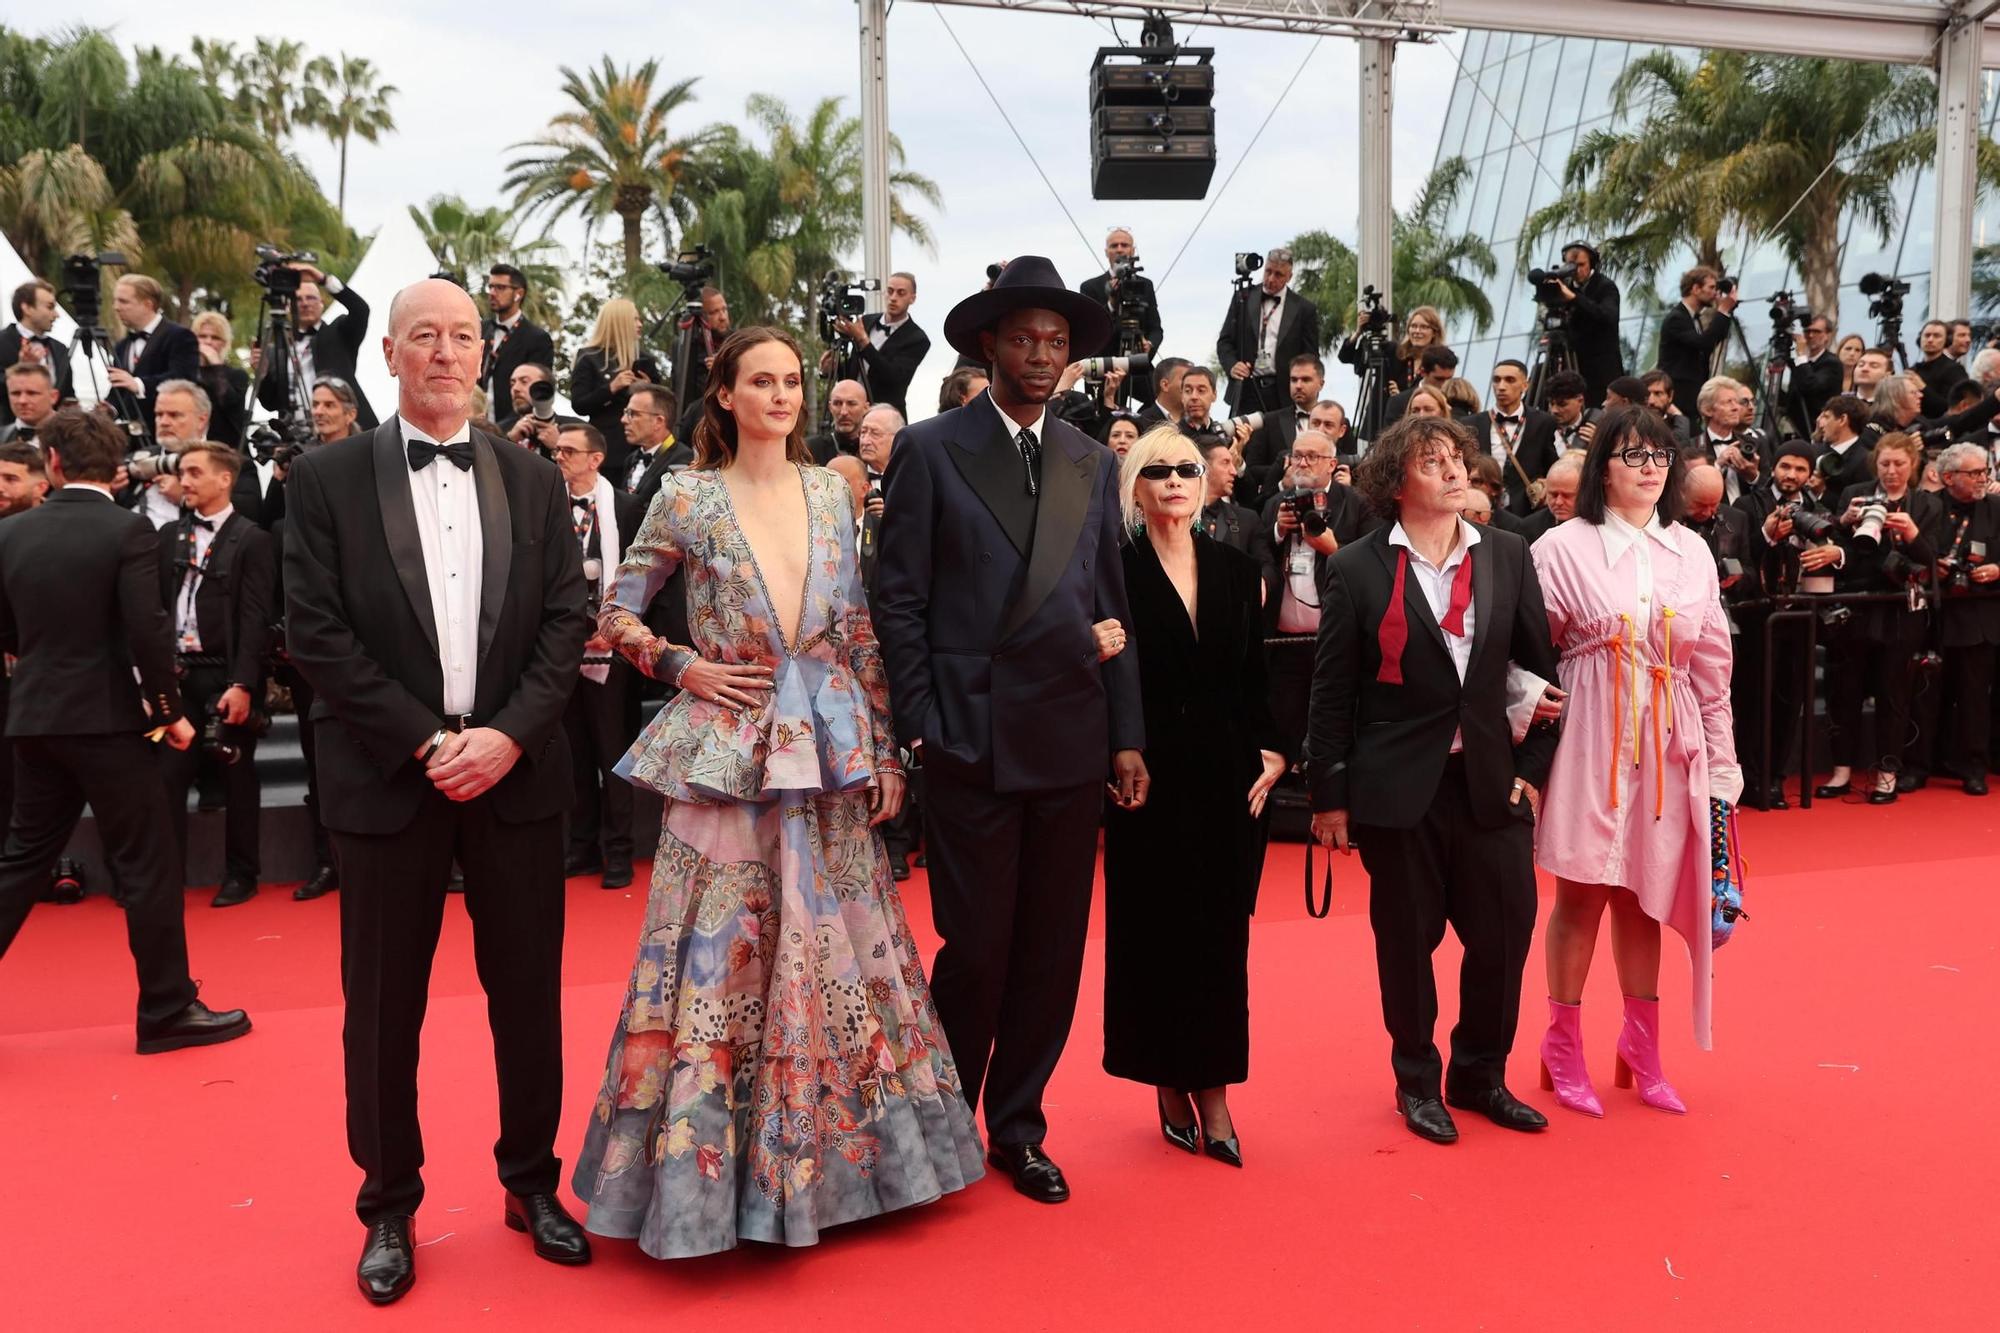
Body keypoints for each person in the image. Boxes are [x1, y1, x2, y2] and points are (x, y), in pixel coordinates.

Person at [572, 325, 982, 1258]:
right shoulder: (685, 494)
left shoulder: (832, 494)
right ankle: (714, 1188)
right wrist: (682, 665)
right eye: (762, 380)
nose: (782, 395)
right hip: (729, 750)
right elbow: (615, 610)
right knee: (723, 956)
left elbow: (861, 629)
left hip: (831, 749)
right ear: (724, 395)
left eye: (793, 380)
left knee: (844, 951)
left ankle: (852, 1174)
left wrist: (885, 750)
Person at [281, 279, 593, 1305]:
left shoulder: (531, 477)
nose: (447, 353)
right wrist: (426, 740)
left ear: (484, 353)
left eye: (463, 335)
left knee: (528, 999)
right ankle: (387, 1202)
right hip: (386, 778)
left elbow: (564, 621)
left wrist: (504, 736)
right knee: (381, 1007)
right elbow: (316, 636)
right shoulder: (324, 478)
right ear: (389, 353)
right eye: (426, 336)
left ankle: (530, 1183)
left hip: (515, 776)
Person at [874, 256, 1146, 1204]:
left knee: (1050, 948)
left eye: (1058, 342)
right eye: (1026, 338)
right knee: (978, 944)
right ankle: (946, 1115)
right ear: (988, 345)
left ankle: (1019, 1125)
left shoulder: (1092, 459)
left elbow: (1110, 607)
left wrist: (1127, 736)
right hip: (970, 736)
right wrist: (920, 725)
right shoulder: (931, 447)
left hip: (1071, 737)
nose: (1042, 355)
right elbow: (897, 599)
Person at [1306, 413, 1561, 1144]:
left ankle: (1480, 1074)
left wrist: (1533, 772)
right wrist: (1329, 794)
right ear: (1395, 482)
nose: (1454, 472)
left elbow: (1542, 672)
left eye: (1458, 459)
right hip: (1397, 786)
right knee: (1406, 941)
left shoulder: (1508, 553)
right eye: (1432, 462)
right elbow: (1332, 694)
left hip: (1490, 780)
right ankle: (1416, 1080)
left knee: (1506, 936)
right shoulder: (1355, 566)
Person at [0, 409, 252, 1051]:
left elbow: (6, 631)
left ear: (52, 464)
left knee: (20, 863)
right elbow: (148, 631)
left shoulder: (12, 534)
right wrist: (170, 714)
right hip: (108, 722)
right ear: (114, 468)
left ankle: (170, 1007)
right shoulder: (128, 530)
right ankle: (167, 1010)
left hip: (32, 718)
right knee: (146, 864)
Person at [1529, 406, 1740, 1116]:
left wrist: (1722, 767)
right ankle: (1562, 1042)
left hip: (1669, 741)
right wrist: (1530, 710)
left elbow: (1713, 670)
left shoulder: (1693, 551)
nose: (1651, 467)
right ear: (1603, 467)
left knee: (1643, 894)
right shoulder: (1561, 546)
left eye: (1660, 456)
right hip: (1591, 733)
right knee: (1582, 890)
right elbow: (1526, 649)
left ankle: (1642, 1045)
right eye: (1633, 455)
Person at [1100, 426, 1284, 1166]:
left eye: (1187, 468)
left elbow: (1254, 677)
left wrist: (1274, 750)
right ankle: (1168, 1080)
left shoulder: (1239, 570)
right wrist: (1119, 749)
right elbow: (1110, 679)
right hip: (1148, 775)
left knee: (1218, 937)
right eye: (1158, 470)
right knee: (1153, 933)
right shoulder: (1114, 571)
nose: (1176, 480)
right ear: (1136, 489)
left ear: (1204, 483)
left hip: (1229, 775)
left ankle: (1213, 1090)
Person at [155, 441, 274, 908]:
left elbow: (256, 618)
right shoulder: (167, 535)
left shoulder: (254, 539)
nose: (184, 480)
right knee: (166, 776)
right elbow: (155, 609)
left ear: (225, 479)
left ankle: (242, 874)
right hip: (177, 674)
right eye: (182, 472)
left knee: (237, 774)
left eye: (194, 472)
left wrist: (243, 684)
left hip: (228, 674)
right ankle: (164, 878)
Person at [1820, 432, 1938, 804]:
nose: (1891, 471)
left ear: (1912, 465)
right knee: (1845, 691)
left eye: (1899, 464)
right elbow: (1838, 547)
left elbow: (1932, 561)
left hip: (1902, 610)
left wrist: (1911, 532)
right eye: (1885, 463)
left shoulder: (1925, 505)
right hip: (1855, 606)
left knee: (1894, 694)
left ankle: (1887, 774)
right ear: (1876, 464)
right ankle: (1841, 772)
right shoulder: (1854, 494)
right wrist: (1844, 520)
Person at [551, 423, 644, 890]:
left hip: (615, 651)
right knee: (575, 753)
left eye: (568, 450)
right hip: (562, 650)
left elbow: (648, 574)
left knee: (614, 754)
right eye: (557, 450)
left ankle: (619, 852)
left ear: (595, 458)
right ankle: (582, 847)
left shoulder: (625, 509)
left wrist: (619, 629)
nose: (559, 457)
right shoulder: (546, 506)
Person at [1921, 443, 2000, 795]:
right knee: (1925, 695)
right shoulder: (1927, 506)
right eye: (1975, 473)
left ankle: (1974, 767)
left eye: (1985, 471)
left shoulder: (1997, 508)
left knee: (1973, 698)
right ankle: (1918, 764)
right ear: (1948, 477)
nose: (1983, 479)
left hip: (1978, 616)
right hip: (1933, 616)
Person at [257, 261, 377, 429]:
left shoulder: (339, 333)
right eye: (298, 299)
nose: (305, 303)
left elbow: (360, 310)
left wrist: (322, 279)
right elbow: (270, 404)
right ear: (288, 306)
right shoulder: (277, 347)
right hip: (297, 435)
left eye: (311, 298)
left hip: (341, 431)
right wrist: (261, 374)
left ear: (322, 304)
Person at [1217, 247, 1321, 416]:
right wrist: (1232, 365)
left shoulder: (1304, 308)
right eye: (1268, 271)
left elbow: (1311, 356)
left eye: (1279, 274)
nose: (1271, 279)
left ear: (1289, 277)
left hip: (1283, 393)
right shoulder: (1243, 297)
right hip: (1247, 390)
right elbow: (1225, 342)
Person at [822, 272, 931, 417]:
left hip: (886, 416)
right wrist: (833, 368)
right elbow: (855, 372)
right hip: (851, 415)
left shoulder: (917, 338)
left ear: (912, 298)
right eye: (890, 291)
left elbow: (894, 377)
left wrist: (863, 341)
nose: (893, 298)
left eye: (901, 293)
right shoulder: (866, 321)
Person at [1236, 353, 1328, 511]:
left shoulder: (1335, 421)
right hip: (1281, 507)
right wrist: (1281, 473)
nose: (1298, 385)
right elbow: (1253, 469)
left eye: (1305, 379)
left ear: (1321, 383)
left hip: (1327, 504)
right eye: (1294, 380)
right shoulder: (1269, 421)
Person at [109, 275, 199, 433]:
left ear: (147, 304)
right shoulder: (122, 346)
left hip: (166, 433)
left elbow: (183, 379)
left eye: (123, 301)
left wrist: (138, 384)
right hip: (129, 439)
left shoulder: (180, 336)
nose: (116, 307)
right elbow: (120, 392)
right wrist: (108, 408)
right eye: (115, 301)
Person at [571, 298, 650, 475]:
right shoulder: (589, 357)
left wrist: (648, 390)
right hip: (607, 450)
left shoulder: (645, 359)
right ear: (619, 322)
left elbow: (663, 404)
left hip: (642, 448)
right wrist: (611, 388)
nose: (640, 324)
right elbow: (579, 404)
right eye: (634, 320)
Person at [1473, 359, 1558, 516]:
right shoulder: (1472, 424)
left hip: (1526, 511)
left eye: (1510, 380)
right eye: (1497, 380)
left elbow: (1551, 466)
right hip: (1481, 508)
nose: (1501, 387)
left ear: (1525, 385)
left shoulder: (1543, 422)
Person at [1545, 242, 1625, 402]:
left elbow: (1607, 316)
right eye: (1571, 265)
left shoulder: (1605, 287)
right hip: (1574, 362)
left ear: (1592, 264)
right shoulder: (1565, 286)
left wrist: (1575, 298)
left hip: (1601, 370)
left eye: (1582, 265)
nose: (1577, 270)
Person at [1658, 267, 1738, 418]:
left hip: (1691, 396)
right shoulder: (1677, 318)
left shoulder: (1694, 319)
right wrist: (1722, 310)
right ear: (1695, 288)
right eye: (1711, 287)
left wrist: (1725, 312)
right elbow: (1704, 343)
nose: (1715, 293)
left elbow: (1712, 340)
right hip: (1679, 397)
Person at [481, 263, 557, 409]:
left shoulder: (537, 339)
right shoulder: (480, 330)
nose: (492, 292)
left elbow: (538, 391)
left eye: (500, 288)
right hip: (475, 422)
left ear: (519, 294)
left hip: (513, 424)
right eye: (490, 287)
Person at [1, 279, 72, 424]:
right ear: (27, 308)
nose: (56, 314)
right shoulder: (2, 341)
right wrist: (20, 368)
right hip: (9, 434)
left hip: (54, 433)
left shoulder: (60, 349)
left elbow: (68, 394)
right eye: (50, 307)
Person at [619, 385, 687, 511]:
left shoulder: (684, 461)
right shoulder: (631, 459)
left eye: (632, 414)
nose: (623, 420)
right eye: (625, 413)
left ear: (659, 421)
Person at [189, 311, 250, 448]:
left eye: (215, 338)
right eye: (202, 336)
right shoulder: (186, 373)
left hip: (226, 449)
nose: (208, 342)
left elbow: (229, 403)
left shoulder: (237, 375)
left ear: (224, 343)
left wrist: (216, 365)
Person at [1198, 439, 1256, 553]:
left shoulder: (1247, 520)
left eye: (1232, 464)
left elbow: (1266, 566)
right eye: (1225, 462)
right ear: (1204, 467)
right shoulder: (1177, 516)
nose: (1234, 471)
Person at [1789, 314, 1843, 429]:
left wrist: (1801, 354)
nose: (1811, 335)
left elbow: (1810, 386)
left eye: (1817, 332)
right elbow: (1792, 397)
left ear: (1827, 335)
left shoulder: (1832, 363)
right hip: (1796, 426)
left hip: (1818, 429)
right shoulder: (1799, 364)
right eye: (1807, 331)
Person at [1913, 319, 1970, 420]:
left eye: (1937, 336)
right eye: (1927, 335)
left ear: (1947, 340)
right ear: (1920, 339)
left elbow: (1952, 407)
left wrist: (1923, 388)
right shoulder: (1914, 369)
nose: (1930, 340)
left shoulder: (1955, 370)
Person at [808, 378, 869, 463]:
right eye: (837, 403)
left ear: (866, 408)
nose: (844, 412)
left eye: (851, 404)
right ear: (830, 407)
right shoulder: (810, 449)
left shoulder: (877, 449)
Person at [0, 362, 59, 443]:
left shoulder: (76, 436)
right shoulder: (2, 437)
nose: (22, 400)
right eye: (15, 393)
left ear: (53, 397)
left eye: (32, 393)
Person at [1137, 356, 1187, 425]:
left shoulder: (1199, 423)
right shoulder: (1141, 423)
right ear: (1165, 385)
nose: (1191, 386)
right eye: (1185, 379)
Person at [311, 378, 363, 445]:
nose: (318, 412)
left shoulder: (370, 449)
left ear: (350, 415)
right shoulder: (299, 453)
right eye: (315, 405)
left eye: (328, 405)